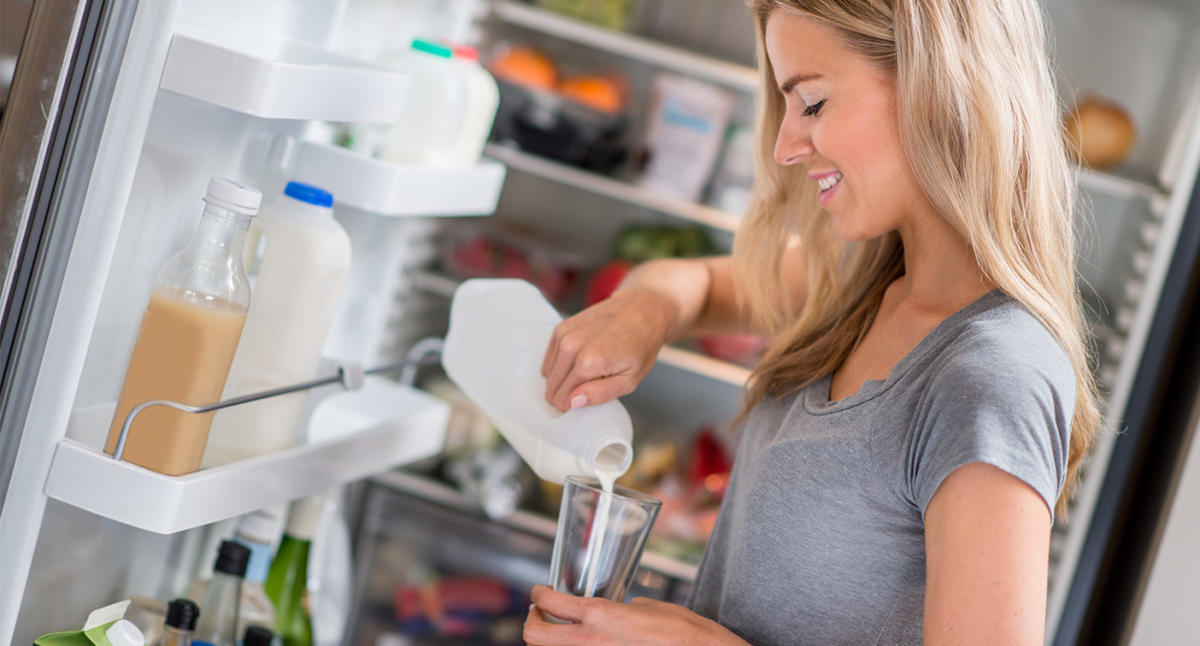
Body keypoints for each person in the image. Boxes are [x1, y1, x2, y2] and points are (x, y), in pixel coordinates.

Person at [523, 0, 1101, 644]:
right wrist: (644, 309)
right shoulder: (862, 286)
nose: (786, 146)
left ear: (936, 86)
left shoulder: (993, 376)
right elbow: (698, 283)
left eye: (814, 104)